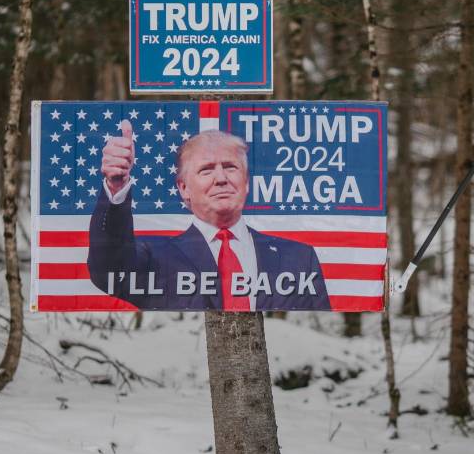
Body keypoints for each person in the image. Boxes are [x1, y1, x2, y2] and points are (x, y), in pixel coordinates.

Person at [87, 119, 331, 311]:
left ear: (246, 183)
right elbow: (108, 271)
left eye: (230, 167)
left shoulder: (300, 258)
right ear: (184, 188)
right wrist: (116, 188)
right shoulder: (154, 257)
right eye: (206, 170)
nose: (221, 178)